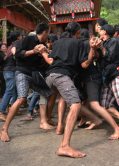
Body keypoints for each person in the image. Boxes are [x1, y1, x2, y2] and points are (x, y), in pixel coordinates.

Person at [43, 21, 102, 158]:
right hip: (62, 76)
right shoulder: (78, 43)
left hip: (50, 77)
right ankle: (64, 146)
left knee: (70, 99)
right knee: (75, 105)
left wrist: (43, 53)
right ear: (78, 32)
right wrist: (93, 49)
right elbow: (85, 64)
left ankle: (63, 126)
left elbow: (51, 61)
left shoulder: (57, 42)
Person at [0, 23, 56, 142]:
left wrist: (44, 55)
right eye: (49, 32)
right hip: (22, 72)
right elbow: (18, 55)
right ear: (45, 32)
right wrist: (33, 51)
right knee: (21, 99)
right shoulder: (28, 39)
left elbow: (40, 64)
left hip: (34, 74)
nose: (49, 35)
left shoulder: (44, 45)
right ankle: (4, 129)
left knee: (49, 93)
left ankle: (45, 121)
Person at [78, 29, 119, 139]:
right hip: (92, 76)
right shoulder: (88, 44)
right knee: (86, 101)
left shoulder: (81, 44)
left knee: (94, 104)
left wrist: (92, 49)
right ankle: (85, 120)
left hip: (91, 78)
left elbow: (86, 64)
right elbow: (97, 57)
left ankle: (117, 128)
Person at [0, 31, 21, 121]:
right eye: (21, 36)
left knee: (14, 90)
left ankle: (12, 110)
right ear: (18, 37)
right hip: (10, 70)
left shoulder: (10, 45)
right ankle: (1, 112)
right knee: (9, 90)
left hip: (9, 70)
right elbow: (15, 54)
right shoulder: (17, 43)